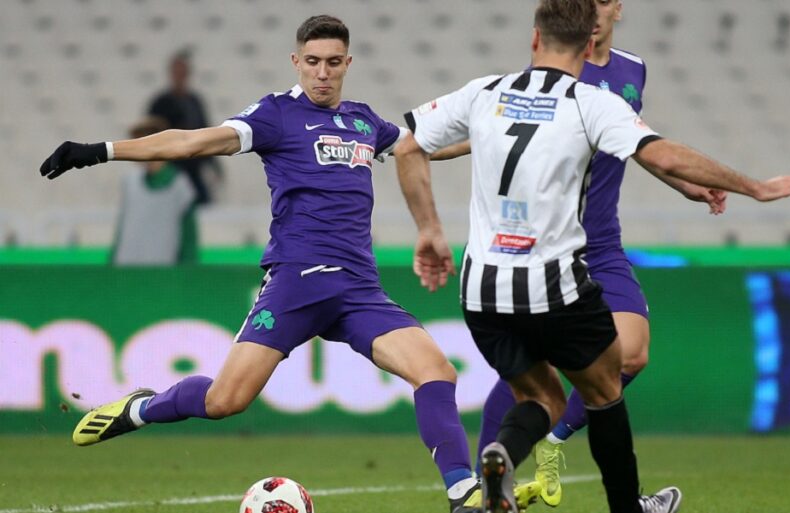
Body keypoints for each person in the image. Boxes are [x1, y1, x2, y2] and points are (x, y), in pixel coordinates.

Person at [39, 15, 539, 513]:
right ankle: (143, 407)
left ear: (348, 63)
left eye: (333, 63)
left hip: (358, 290)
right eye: (313, 62)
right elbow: (193, 142)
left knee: (436, 371)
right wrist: (101, 151)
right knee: (224, 401)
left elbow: (419, 146)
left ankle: (461, 492)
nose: (323, 73)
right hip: (296, 284)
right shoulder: (275, 115)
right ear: (296, 61)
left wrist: (499, 135)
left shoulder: (364, 121)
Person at [393, 1, 790, 512]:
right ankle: (626, 506)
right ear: (587, 44)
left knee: (541, 397)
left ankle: (500, 458)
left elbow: (409, 145)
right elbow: (663, 152)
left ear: (534, 38)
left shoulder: (486, 91)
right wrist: (757, 187)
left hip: (481, 285)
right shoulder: (589, 102)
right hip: (555, 278)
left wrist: (429, 229)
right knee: (604, 390)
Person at [111, 116, 198, 265]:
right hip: (126, 270)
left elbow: (189, 239)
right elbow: (122, 229)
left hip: (161, 272)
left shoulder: (181, 187)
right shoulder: (130, 183)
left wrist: (188, 271)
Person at [148, 49, 223, 206]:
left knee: (202, 204)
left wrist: (214, 163)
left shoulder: (194, 101)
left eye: (183, 72)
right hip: (171, 168)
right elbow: (151, 133)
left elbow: (206, 131)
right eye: (177, 72)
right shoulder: (161, 103)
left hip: (193, 167)